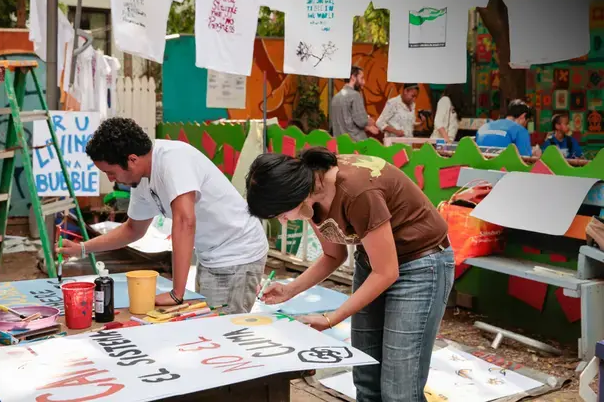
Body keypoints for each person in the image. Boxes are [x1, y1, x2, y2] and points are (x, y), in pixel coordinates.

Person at [246, 148, 454, 402]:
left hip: (421, 263)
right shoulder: (308, 195)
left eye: (280, 214)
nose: (284, 221)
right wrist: (290, 289)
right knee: (366, 374)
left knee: (399, 386)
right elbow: (334, 255)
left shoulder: (355, 191)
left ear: (292, 194)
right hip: (374, 262)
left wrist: (331, 318)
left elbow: (387, 271)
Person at [57, 117, 268, 314]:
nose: (112, 178)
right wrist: (82, 248)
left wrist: (177, 294)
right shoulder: (141, 178)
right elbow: (132, 230)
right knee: (206, 325)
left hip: (239, 253)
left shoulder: (172, 160)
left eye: (110, 172)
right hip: (211, 256)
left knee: (223, 333)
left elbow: (185, 221)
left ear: (131, 160)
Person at [475, 99, 540, 157]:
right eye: (526, 122)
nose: (525, 125)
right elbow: (524, 159)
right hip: (503, 169)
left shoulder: (483, 128)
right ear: (523, 116)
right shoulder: (520, 130)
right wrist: (534, 154)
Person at [331, 66, 379, 141]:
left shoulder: (336, 97)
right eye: (362, 78)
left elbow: (347, 122)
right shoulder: (355, 95)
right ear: (353, 77)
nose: (364, 82)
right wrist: (368, 121)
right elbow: (361, 121)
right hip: (355, 143)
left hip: (340, 143)